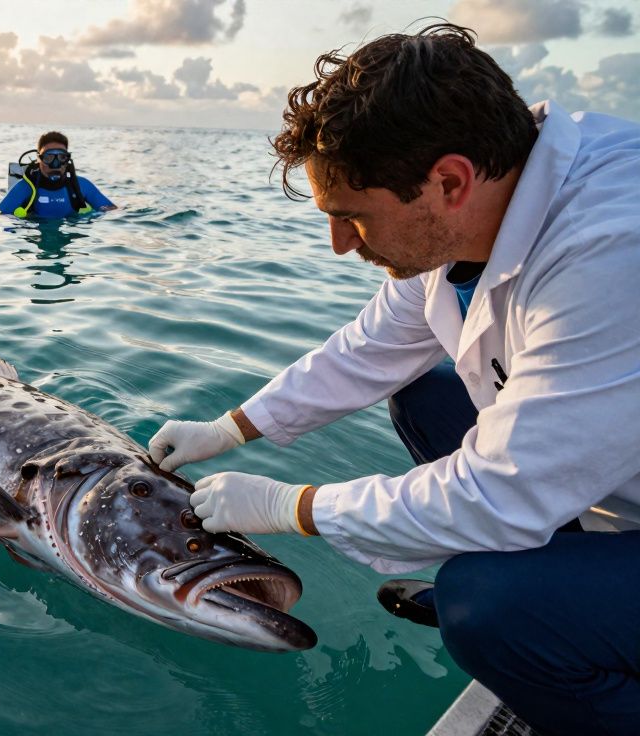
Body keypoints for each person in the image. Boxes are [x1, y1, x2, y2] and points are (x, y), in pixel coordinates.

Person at [148, 24, 640, 736]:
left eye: (352, 218)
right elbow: (367, 349)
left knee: (482, 604)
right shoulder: (477, 209)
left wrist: (295, 507)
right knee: (425, 394)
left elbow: (500, 492)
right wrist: (231, 428)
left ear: (448, 181)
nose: (340, 244)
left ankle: (553, 614)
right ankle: (565, 582)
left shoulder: (610, 250)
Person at [0, 131, 116, 218]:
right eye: (49, 157)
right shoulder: (24, 188)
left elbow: (112, 211)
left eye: (62, 157)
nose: (56, 164)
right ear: (39, 159)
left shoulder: (81, 186)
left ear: (67, 160)